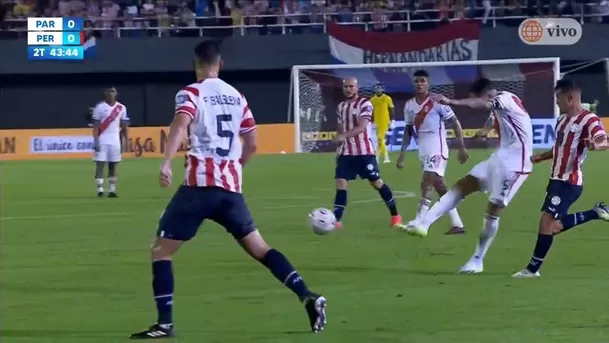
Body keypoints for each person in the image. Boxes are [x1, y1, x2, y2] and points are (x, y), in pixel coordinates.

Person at [129, 41, 327, 340]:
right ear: (220, 64)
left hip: (198, 188)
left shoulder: (191, 92)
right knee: (261, 250)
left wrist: (167, 162)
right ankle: (307, 294)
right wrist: (234, 169)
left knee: (161, 252)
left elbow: (180, 124)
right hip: (230, 190)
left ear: (196, 64)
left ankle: (164, 324)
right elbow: (253, 143)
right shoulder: (237, 96)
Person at [404, 77, 533, 274]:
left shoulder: (503, 98)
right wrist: (485, 131)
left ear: (486, 93)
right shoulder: (504, 103)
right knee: (462, 186)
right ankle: (424, 223)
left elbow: (482, 104)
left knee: (492, 212)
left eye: (476, 97)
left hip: (516, 166)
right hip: (499, 158)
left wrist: (452, 102)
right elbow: (493, 116)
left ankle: (477, 260)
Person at [512, 79, 609, 278]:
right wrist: (540, 157)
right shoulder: (561, 121)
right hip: (555, 180)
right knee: (552, 226)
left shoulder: (589, 120)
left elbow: (602, 139)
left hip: (569, 182)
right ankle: (595, 213)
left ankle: (532, 270)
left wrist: (596, 145)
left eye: (558, 98)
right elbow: (559, 148)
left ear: (570, 98)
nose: (556, 102)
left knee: (546, 222)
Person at [396, 70, 468, 235]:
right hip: (423, 148)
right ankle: (457, 223)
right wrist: (402, 153)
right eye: (416, 81)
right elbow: (408, 130)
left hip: (438, 147)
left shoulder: (438, 102)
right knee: (439, 185)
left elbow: (455, 123)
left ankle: (419, 221)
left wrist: (461, 146)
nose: (419, 84)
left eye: (422, 81)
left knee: (427, 181)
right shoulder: (409, 105)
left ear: (428, 83)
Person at [332, 76, 402, 229]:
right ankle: (336, 220)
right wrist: (339, 145)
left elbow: (362, 126)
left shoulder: (365, 104)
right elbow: (340, 127)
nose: (349, 89)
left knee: (376, 183)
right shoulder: (341, 106)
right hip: (346, 153)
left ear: (357, 88)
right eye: (346, 87)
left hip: (364, 153)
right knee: (341, 184)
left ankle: (395, 215)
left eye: (351, 86)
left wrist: (344, 135)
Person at [92, 87, 129, 197]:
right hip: (103, 138)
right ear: (105, 93)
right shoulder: (99, 107)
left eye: (112, 91)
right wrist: (96, 140)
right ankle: (100, 189)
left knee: (113, 165)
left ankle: (112, 190)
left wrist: (126, 140)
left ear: (116, 93)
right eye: (108, 91)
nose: (110, 93)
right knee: (100, 164)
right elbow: (96, 126)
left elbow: (124, 126)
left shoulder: (121, 108)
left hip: (115, 139)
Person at [369, 83, 395, 163]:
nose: (378, 90)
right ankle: (384, 157)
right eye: (377, 88)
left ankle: (379, 157)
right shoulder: (372, 100)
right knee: (381, 140)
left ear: (382, 89)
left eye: (379, 88)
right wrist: (371, 121)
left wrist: (392, 120)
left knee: (380, 139)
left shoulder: (387, 98)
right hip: (377, 122)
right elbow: (371, 111)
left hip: (385, 121)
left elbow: (391, 109)